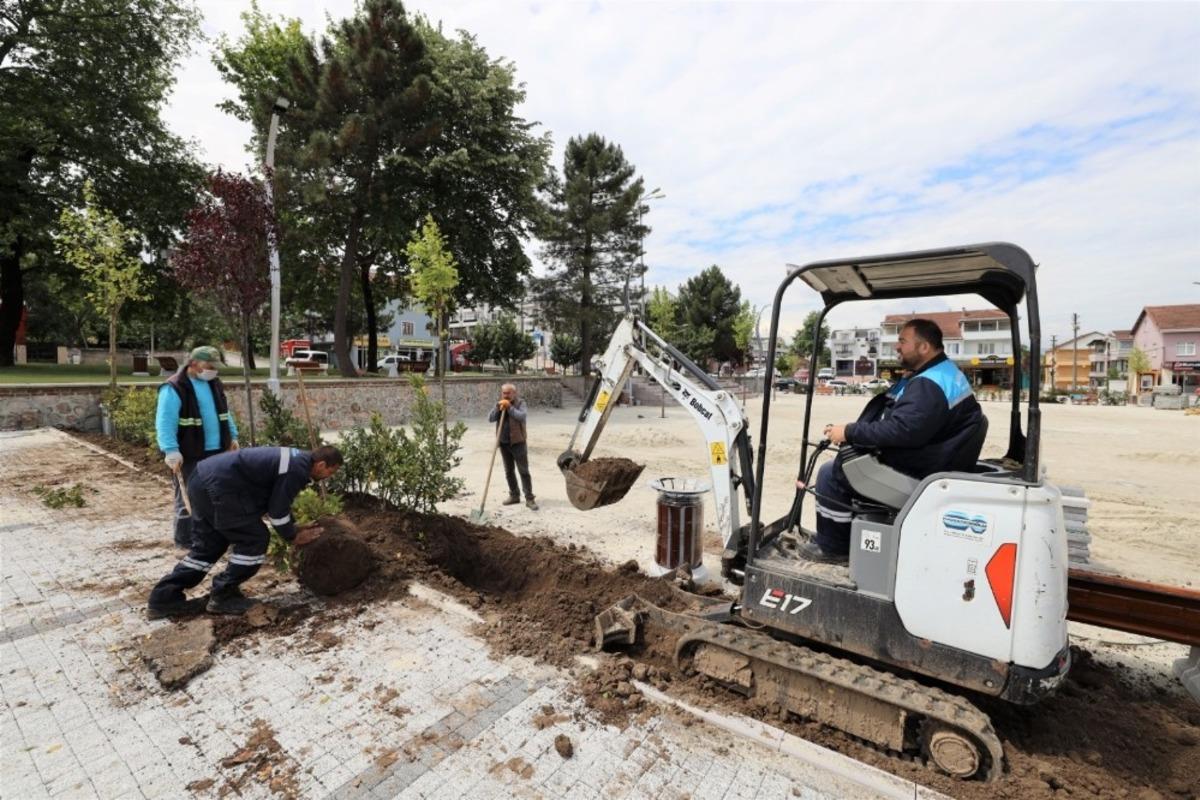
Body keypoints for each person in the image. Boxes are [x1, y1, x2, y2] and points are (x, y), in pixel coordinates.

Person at [798, 319, 984, 564]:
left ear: (924, 347)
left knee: (831, 474)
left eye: (903, 341)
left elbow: (903, 430)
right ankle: (841, 537)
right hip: (934, 459)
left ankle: (835, 549)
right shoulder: (940, 374)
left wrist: (849, 433)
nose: (897, 347)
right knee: (844, 464)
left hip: (921, 470)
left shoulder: (929, 385)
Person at [146, 445, 344, 618]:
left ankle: (164, 599)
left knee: (210, 546)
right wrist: (292, 535)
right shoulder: (297, 469)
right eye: (331, 472)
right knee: (255, 539)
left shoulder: (296, 459)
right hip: (219, 488)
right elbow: (277, 511)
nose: (329, 477)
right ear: (321, 465)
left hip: (202, 481)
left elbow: (279, 503)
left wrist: (293, 526)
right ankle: (223, 595)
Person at [157, 345, 239, 548]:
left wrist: (233, 435)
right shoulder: (174, 387)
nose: (213, 370)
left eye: (215, 366)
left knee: (215, 497)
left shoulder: (214, 383)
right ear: (193, 364)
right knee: (187, 498)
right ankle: (185, 541)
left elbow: (224, 412)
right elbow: (165, 421)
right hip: (189, 453)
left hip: (217, 451)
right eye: (209, 365)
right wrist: (170, 450)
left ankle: (212, 539)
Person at [488, 383, 537, 510]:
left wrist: (510, 408)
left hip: (518, 443)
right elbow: (490, 419)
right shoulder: (499, 404)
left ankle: (529, 498)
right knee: (509, 471)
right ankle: (514, 495)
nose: (506, 395)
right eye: (504, 393)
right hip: (504, 443)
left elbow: (522, 416)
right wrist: (497, 408)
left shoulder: (521, 403)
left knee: (524, 471)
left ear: (514, 393)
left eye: (508, 393)